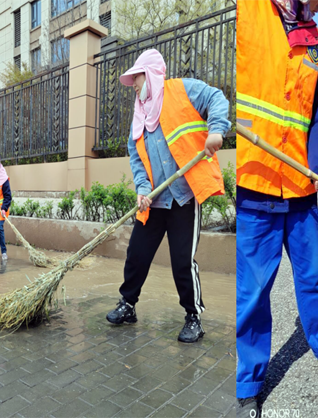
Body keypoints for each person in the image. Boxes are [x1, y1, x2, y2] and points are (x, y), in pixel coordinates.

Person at [235, 0, 318, 415]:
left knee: (313, 273)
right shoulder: (246, 13)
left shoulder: (315, 44)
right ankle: (248, 381)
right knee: (251, 291)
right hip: (254, 183)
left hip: (300, 186)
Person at [105, 49, 230, 344]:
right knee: (137, 254)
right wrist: (142, 188)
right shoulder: (139, 115)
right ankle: (128, 304)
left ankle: (193, 317)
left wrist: (216, 130)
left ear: (149, 74)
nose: (133, 86)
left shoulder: (182, 90)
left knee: (182, 261)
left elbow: (217, 98)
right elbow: (136, 157)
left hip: (183, 196)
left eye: (136, 78)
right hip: (154, 200)